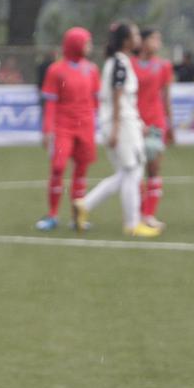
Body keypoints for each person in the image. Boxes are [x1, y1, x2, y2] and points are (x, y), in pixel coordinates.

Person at [74, 21, 161, 238]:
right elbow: (117, 96)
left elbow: (124, 99)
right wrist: (115, 128)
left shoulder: (120, 62)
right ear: (126, 41)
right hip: (121, 124)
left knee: (126, 173)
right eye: (135, 35)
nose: (139, 39)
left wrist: (138, 123)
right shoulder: (120, 64)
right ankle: (132, 224)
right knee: (132, 172)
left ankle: (85, 205)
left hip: (125, 122)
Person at [36, 28, 100, 232]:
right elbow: (51, 104)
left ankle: (77, 217)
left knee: (81, 171)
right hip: (63, 127)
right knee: (58, 168)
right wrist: (47, 131)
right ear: (74, 44)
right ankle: (53, 215)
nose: (89, 47)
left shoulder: (92, 69)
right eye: (86, 43)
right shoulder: (56, 70)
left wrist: (96, 125)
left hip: (86, 126)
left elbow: (95, 101)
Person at [131, 28, 174, 230]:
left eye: (159, 39)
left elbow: (166, 96)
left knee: (154, 168)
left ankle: (149, 215)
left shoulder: (164, 65)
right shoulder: (129, 65)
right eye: (154, 39)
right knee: (136, 170)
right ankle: (139, 214)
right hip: (134, 123)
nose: (158, 43)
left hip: (156, 122)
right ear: (143, 42)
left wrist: (170, 123)